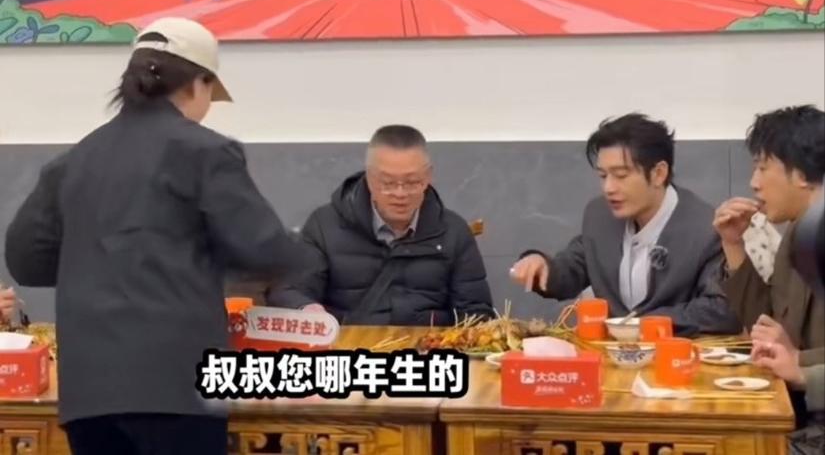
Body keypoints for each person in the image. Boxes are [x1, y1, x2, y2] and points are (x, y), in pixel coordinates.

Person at [4, 18, 316, 455]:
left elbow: (25, 260)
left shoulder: (73, 161)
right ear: (197, 84)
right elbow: (262, 248)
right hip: (177, 388)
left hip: (88, 392)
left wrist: (94, 258)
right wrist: (303, 255)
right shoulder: (205, 151)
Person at [510, 113, 740, 337]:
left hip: (678, 356)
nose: (608, 188)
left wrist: (644, 324)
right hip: (612, 356)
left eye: (620, 175)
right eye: (603, 176)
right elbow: (574, 266)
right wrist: (542, 266)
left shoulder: (705, 228)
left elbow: (720, 310)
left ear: (659, 173)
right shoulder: (599, 215)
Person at [267, 125, 494, 325]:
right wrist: (306, 309)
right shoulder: (324, 225)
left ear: (428, 177)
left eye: (412, 182)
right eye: (387, 183)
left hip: (429, 350)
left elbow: (476, 313)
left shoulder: (453, 231)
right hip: (349, 349)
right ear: (369, 177)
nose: (400, 193)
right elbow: (290, 290)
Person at [715, 105, 824, 453]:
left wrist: (802, 369)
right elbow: (767, 325)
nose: (754, 183)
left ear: (802, 175)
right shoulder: (799, 232)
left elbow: (791, 355)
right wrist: (734, 245)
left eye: (763, 167)